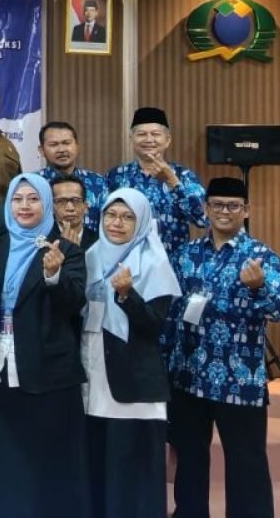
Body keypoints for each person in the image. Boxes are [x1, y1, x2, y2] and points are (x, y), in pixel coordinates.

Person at [163, 177, 280, 518]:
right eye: (217, 204)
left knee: (246, 462)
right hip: (189, 374)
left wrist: (259, 287)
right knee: (190, 459)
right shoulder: (186, 255)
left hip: (239, 379)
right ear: (206, 208)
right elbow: (170, 313)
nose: (224, 211)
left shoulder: (261, 256)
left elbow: (279, 310)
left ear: (245, 210)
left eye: (233, 206)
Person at [0, 173, 88, 518]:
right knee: (3, 462)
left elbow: (74, 305)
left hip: (48, 375)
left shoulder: (66, 249)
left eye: (33, 199)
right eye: (17, 199)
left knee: (47, 463)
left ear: (46, 205)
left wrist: (53, 276)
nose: (24, 206)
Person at [81, 189, 182, 518]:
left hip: (134, 383)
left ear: (141, 222)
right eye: (111, 215)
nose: (117, 223)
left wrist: (127, 295)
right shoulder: (90, 255)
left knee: (134, 477)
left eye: (127, 217)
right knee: (98, 469)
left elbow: (154, 327)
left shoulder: (154, 262)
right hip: (93, 374)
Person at [106, 106, 207, 254]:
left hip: (173, 262)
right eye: (142, 134)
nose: (149, 139)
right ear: (131, 139)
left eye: (155, 134)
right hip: (127, 261)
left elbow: (202, 219)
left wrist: (172, 181)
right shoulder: (116, 176)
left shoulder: (184, 176)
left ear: (167, 140)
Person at [36, 121, 108, 232]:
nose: (61, 150)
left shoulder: (97, 182)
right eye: (54, 144)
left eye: (66, 143)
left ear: (77, 146)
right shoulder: (32, 184)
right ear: (41, 150)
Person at [52, 174, 100, 250]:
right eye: (61, 201)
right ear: (52, 208)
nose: (70, 208)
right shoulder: (42, 240)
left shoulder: (98, 241)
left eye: (75, 200)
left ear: (85, 207)